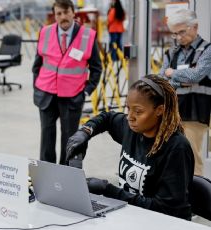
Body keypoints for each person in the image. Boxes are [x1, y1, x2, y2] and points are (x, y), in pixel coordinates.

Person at [65, 75, 194, 220]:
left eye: (138, 112)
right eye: (128, 108)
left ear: (160, 110)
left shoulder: (176, 148)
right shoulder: (132, 129)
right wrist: (85, 132)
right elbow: (107, 118)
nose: (130, 117)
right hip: (132, 216)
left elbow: (165, 210)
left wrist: (107, 189)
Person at [32, 0, 102, 165]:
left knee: (70, 139)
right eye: (59, 13)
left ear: (73, 12)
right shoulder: (45, 32)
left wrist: (86, 91)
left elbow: (96, 68)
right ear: (55, 15)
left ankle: (65, 176)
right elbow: (37, 64)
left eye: (66, 12)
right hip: (46, 93)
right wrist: (37, 86)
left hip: (72, 96)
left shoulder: (87, 35)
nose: (63, 17)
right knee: (46, 139)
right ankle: (46, 173)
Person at [159, 9, 211, 176]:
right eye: (175, 34)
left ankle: (198, 198)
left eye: (182, 31)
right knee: (171, 157)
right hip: (173, 111)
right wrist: (182, 78)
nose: (179, 37)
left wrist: (173, 73)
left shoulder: (207, 50)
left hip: (195, 111)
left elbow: (196, 75)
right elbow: (162, 78)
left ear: (195, 27)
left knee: (193, 158)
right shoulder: (172, 52)